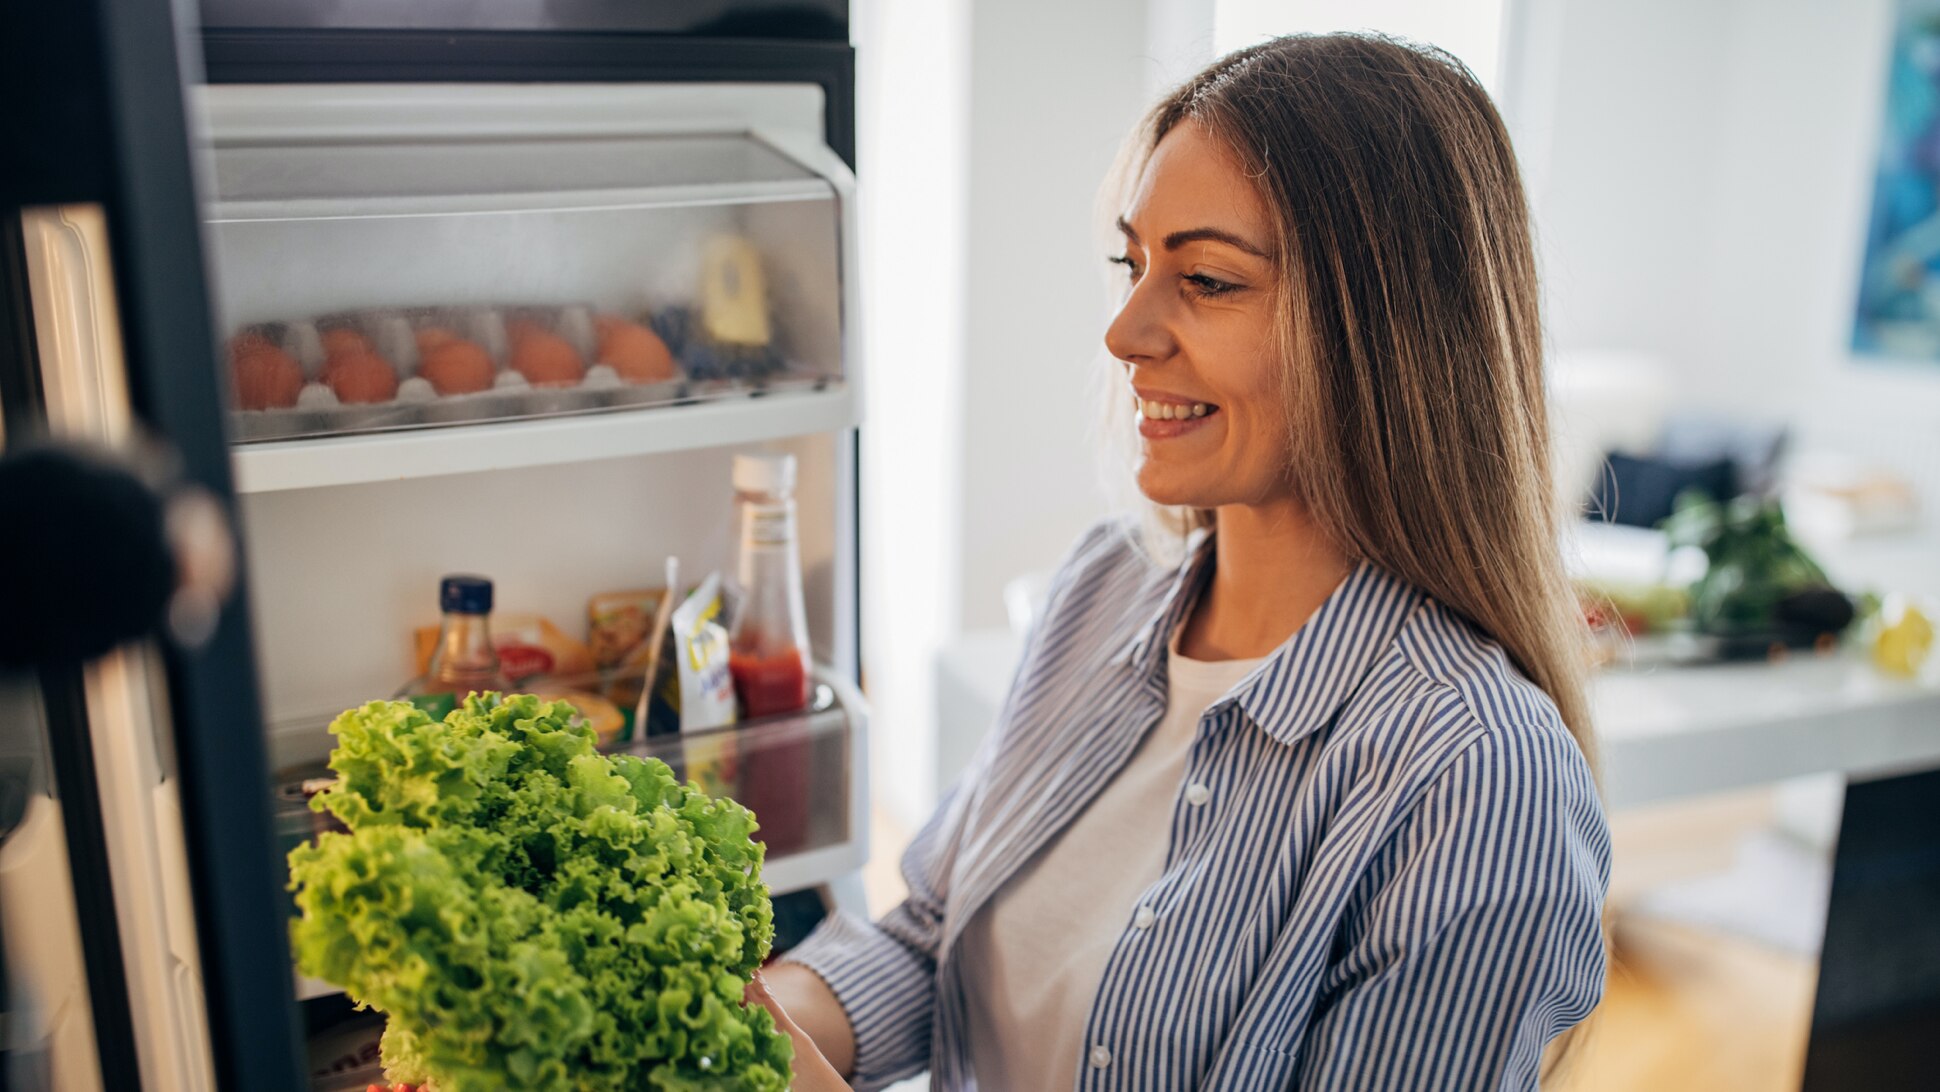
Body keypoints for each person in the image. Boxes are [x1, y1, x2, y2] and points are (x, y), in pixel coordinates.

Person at [755, 32, 1609, 1091]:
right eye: (1134, 264)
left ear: (1386, 330)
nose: (1123, 330)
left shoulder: (1475, 780)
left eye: (1204, 279)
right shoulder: (1100, 589)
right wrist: (751, 1025)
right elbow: (929, 937)